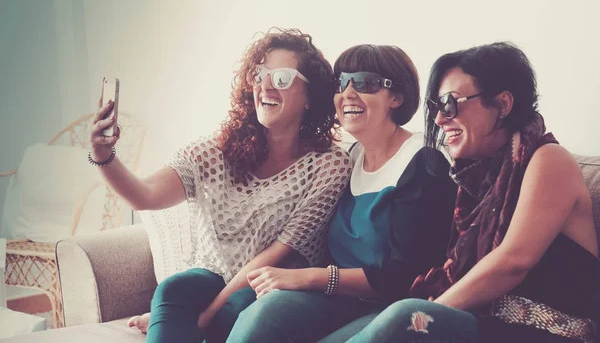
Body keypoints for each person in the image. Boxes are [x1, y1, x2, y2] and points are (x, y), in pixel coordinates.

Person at [87, 28, 353, 343]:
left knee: (236, 307)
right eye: (259, 74)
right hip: (212, 277)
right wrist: (103, 155)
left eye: (281, 78)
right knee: (174, 288)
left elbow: (276, 254)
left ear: (309, 97)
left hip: (274, 284)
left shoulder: (328, 164)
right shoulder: (216, 150)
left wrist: (204, 318)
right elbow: (143, 196)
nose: (265, 86)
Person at [336, 42, 600, 343]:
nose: (439, 119)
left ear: (502, 104)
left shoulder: (549, 159)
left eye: (450, 103)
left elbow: (513, 261)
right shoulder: (478, 181)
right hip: (487, 323)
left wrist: (429, 311)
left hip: (552, 331)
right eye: (437, 107)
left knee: (405, 318)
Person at [226, 44, 457, 342]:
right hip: (339, 300)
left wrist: (309, 277)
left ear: (397, 97)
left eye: (365, 83)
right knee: (263, 310)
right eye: (341, 82)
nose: (347, 92)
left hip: (394, 308)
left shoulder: (423, 160)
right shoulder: (349, 157)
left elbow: (405, 275)